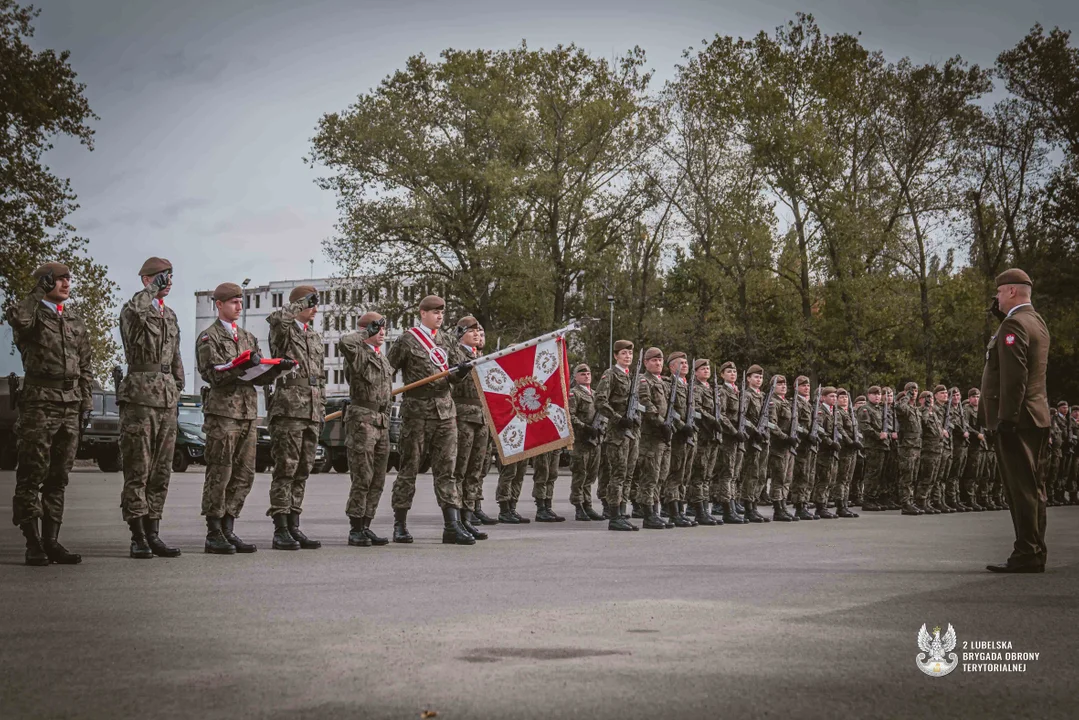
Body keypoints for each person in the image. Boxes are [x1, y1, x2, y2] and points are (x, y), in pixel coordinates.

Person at [7, 262, 92, 566]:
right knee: (32, 474)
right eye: (59, 279)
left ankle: (51, 540)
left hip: (69, 403)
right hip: (39, 404)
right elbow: (17, 317)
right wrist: (37, 290)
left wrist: (86, 404)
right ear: (45, 283)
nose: (67, 283)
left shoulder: (75, 321)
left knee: (58, 477)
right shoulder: (31, 315)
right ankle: (32, 543)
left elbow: (85, 367)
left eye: (69, 278)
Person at [386, 295, 473, 546]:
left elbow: (455, 373)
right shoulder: (407, 339)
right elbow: (388, 370)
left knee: (447, 471)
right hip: (417, 412)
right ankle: (400, 524)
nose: (439, 316)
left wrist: (462, 372)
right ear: (422, 313)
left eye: (442, 312)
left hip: (445, 411)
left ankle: (452, 526)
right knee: (409, 469)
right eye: (435, 312)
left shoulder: (446, 340)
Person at [981, 268, 1051, 573]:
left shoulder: (1014, 324)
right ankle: (1034, 549)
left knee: (1020, 489)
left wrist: (1005, 419)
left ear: (1010, 291)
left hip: (1017, 420)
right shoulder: (1036, 321)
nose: (996, 298)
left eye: (999, 292)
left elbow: (1014, 377)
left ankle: (1026, 553)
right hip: (1035, 416)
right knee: (1034, 488)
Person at [117, 257, 184, 559]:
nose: (167, 282)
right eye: (160, 277)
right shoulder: (134, 309)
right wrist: (151, 291)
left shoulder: (169, 315)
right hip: (140, 399)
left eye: (169, 277)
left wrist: (177, 386)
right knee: (138, 469)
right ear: (145, 279)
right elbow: (135, 313)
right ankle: (137, 535)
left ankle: (154, 530)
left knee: (161, 471)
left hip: (167, 400)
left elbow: (175, 356)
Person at [196, 282, 265, 555]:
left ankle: (228, 527)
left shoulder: (248, 337)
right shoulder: (208, 337)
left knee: (244, 474)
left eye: (240, 301)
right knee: (220, 472)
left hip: (247, 413)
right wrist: (239, 368)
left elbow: (256, 373)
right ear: (219, 305)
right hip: (223, 413)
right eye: (234, 302)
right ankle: (213, 532)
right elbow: (211, 373)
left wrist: (270, 370)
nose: (239, 306)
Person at [265, 285, 325, 551]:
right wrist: (299, 303)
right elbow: (278, 318)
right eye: (310, 302)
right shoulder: (283, 330)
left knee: (303, 469)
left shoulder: (314, 336)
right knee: (285, 469)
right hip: (289, 408)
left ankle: (294, 524)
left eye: (315, 302)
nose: (315, 307)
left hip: (312, 409)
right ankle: (280, 529)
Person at [339, 311, 394, 548]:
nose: (382, 332)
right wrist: (365, 331)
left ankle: (367, 524)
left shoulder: (381, 357)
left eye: (383, 327)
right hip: (362, 420)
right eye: (377, 328)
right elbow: (344, 341)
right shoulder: (357, 353)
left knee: (378, 478)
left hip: (381, 421)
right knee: (363, 476)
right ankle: (356, 528)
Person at [449, 316, 493, 535]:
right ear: (461, 333)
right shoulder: (456, 353)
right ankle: (456, 519)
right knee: (460, 469)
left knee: (476, 470)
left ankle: (468, 516)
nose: (476, 334)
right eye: (471, 330)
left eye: (478, 331)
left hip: (482, 418)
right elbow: (451, 378)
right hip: (463, 416)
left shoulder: (482, 356)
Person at [595, 340, 642, 531]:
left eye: (630, 354)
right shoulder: (610, 374)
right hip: (617, 433)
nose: (627, 357)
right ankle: (614, 516)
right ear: (616, 356)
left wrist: (636, 418)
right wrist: (617, 418)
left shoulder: (631, 377)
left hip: (631, 433)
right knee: (618, 474)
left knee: (629, 475)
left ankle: (622, 513)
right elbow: (600, 401)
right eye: (623, 353)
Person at [661, 352, 697, 525]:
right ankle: (672, 510)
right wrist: (682, 425)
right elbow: (669, 409)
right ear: (671, 367)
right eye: (681, 363)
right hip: (677, 434)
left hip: (688, 435)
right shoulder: (669, 384)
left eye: (686, 362)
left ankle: (680, 509)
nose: (685, 365)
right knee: (675, 474)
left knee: (685, 474)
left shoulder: (688, 385)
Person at [710, 361, 745, 524]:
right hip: (729, 438)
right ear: (722, 374)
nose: (733, 374)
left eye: (734, 371)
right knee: (727, 474)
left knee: (734, 474)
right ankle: (726, 508)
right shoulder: (723, 392)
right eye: (729, 371)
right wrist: (733, 431)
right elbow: (721, 415)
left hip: (737, 438)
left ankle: (732, 504)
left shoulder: (738, 392)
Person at [568, 364, 605, 521]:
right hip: (581, 441)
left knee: (591, 475)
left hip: (594, 441)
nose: (586, 376)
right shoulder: (573, 394)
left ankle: (588, 505)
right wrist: (586, 428)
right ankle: (579, 506)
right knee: (580, 474)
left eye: (588, 373)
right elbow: (570, 416)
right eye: (582, 374)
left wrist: (601, 429)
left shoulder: (595, 394)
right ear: (575, 377)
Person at [688, 360, 722, 525]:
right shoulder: (696, 388)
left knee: (707, 476)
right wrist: (712, 420)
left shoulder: (712, 389)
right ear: (695, 372)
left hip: (713, 438)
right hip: (702, 436)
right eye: (703, 368)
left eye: (708, 368)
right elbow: (697, 410)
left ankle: (705, 510)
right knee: (699, 475)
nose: (706, 370)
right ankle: (698, 510)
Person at [739, 365, 771, 523]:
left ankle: (754, 504)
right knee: (751, 473)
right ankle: (748, 507)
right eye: (755, 377)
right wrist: (755, 430)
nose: (758, 380)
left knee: (761, 474)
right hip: (752, 439)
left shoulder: (763, 396)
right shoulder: (746, 395)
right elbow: (742, 416)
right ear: (748, 379)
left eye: (760, 377)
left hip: (763, 439)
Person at [766, 376, 796, 521]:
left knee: (787, 479)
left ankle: (783, 505)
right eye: (779, 384)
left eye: (785, 384)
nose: (783, 386)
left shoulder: (787, 403)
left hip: (788, 447)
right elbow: (772, 425)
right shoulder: (773, 403)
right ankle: (777, 508)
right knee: (779, 478)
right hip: (778, 446)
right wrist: (785, 437)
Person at [790, 376, 818, 521]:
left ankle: (805, 503)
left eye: (807, 385)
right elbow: (795, 424)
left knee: (809, 476)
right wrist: (807, 434)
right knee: (801, 476)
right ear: (796, 387)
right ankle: (799, 505)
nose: (806, 387)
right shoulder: (795, 403)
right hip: (801, 445)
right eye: (802, 385)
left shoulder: (809, 404)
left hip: (809, 445)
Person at [894, 382, 923, 515]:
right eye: (912, 390)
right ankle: (905, 503)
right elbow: (900, 408)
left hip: (916, 446)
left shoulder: (915, 409)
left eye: (916, 390)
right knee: (907, 476)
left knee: (914, 477)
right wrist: (906, 396)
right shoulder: (903, 406)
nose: (915, 392)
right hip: (907, 446)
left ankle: (911, 501)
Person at [858, 386, 887, 512]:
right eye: (874, 394)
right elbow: (865, 427)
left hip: (882, 446)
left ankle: (874, 498)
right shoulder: (865, 409)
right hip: (872, 445)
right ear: (868, 395)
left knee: (879, 474)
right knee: (872, 473)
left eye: (879, 394)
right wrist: (878, 435)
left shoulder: (880, 409)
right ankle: (868, 499)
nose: (877, 396)